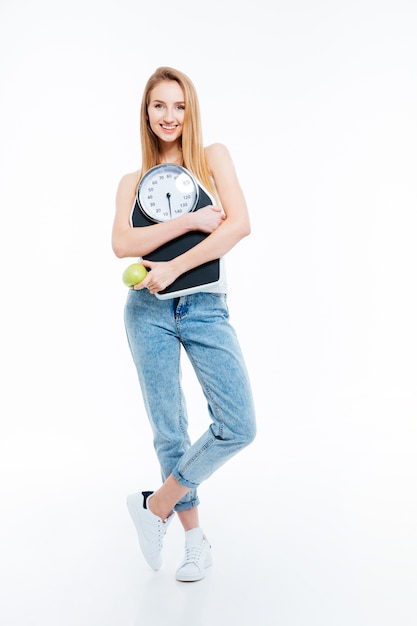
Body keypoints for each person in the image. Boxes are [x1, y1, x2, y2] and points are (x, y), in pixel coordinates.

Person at [111, 66, 256, 582]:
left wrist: (173, 266)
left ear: (189, 110)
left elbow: (239, 223)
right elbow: (124, 245)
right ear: (146, 114)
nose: (168, 116)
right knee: (170, 431)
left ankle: (156, 506)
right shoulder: (132, 181)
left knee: (238, 425)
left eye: (178, 106)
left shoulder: (212, 159)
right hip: (146, 312)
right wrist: (192, 221)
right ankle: (195, 542)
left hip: (205, 306)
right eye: (158, 106)